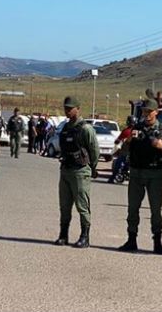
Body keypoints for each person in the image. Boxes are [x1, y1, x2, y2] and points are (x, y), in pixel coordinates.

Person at [118, 102, 162, 254]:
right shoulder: (137, 128)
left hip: (154, 174)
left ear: (156, 112)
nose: (147, 114)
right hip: (137, 172)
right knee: (132, 208)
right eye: (145, 111)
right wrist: (128, 140)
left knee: (155, 210)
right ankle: (132, 240)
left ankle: (157, 242)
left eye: (150, 111)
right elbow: (124, 150)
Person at [54, 96, 99, 248]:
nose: (67, 111)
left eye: (70, 108)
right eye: (65, 108)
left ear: (77, 109)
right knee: (65, 205)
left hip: (80, 171)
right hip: (66, 169)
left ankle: (85, 236)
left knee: (82, 205)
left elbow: (94, 150)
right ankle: (63, 234)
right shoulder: (66, 128)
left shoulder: (85, 129)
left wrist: (91, 167)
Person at [109, 116, 136, 184]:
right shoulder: (137, 131)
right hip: (134, 152)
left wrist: (118, 141)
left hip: (125, 151)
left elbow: (118, 140)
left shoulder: (126, 131)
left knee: (118, 163)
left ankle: (112, 177)